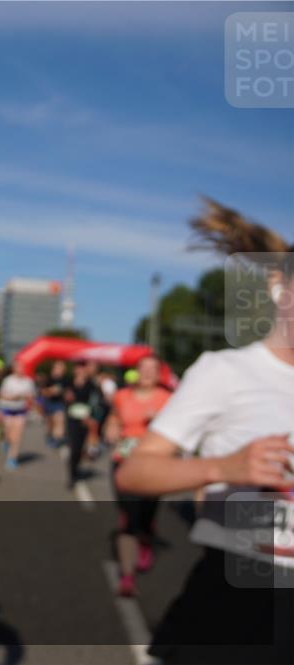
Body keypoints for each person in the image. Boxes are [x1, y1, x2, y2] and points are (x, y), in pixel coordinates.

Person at [116, 201, 294, 664]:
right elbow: (134, 473)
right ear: (279, 287)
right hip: (241, 596)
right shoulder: (227, 371)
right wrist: (225, 467)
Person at [103, 356, 172, 596]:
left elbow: (179, 432)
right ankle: (127, 577)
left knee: (145, 516)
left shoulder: (168, 399)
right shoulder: (122, 395)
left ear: (159, 373)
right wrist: (111, 430)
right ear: (136, 372)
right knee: (127, 518)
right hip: (124, 460)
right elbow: (113, 418)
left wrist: (160, 422)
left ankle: (146, 536)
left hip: (154, 464)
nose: (147, 373)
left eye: (153, 369)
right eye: (143, 368)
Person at [63, 359, 102, 489]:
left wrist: (91, 416)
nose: (80, 371)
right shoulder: (68, 382)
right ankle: (72, 476)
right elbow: (60, 394)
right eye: (78, 368)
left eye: (83, 368)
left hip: (86, 420)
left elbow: (97, 403)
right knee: (74, 447)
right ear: (75, 370)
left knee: (80, 448)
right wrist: (66, 396)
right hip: (72, 419)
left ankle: (76, 467)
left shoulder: (92, 385)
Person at [0, 361, 36, 470]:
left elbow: (32, 397)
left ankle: (12, 458)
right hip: (8, 409)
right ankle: (6, 441)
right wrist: (11, 397)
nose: (20, 370)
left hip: (21, 410)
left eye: (22, 367)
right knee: (8, 433)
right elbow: (1, 394)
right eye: (18, 367)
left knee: (17, 436)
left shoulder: (28, 382)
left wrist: (28, 399)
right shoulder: (8, 380)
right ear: (14, 369)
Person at [40, 360, 68, 448]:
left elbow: (68, 392)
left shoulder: (66, 380)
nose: (60, 370)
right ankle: (50, 435)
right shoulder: (48, 379)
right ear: (54, 368)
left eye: (61, 368)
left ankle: (56, 439)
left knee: (59, 420)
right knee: (50, 423)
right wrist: (51, 391)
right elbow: (43, 392)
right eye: (58, 368)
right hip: (49, 403)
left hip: (59, 403)